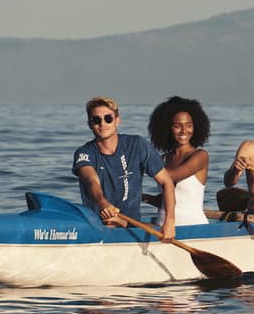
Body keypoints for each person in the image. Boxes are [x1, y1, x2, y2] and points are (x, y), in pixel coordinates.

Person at [72, 96, 176, 239]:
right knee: (109, 223)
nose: (102, 124)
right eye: (96, 120)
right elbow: (91, 180)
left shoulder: (138, 145)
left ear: (117, 120)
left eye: (108, 118)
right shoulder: (84, 153)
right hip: (98, 225)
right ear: (90, 124)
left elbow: (166, 182)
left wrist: (169, 221)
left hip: (132, 225)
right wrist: (102, 203)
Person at [141, 95, 211, 227]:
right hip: (162, 226)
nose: (184, 131)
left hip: (193, 227)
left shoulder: (200, 156)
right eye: (177, 126)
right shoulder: (163, 159)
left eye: (189, 125)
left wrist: (139, 162)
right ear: (168, 128)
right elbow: (168, 199)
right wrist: (139, 196)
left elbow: (170, 177)